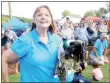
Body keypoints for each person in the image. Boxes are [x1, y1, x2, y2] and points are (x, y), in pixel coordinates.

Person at [2, 5, 63, 82]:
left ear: (51, 20)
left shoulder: (57, 40)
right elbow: (3, 58)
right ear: (34, 20)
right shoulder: (25, 41)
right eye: (39, 15)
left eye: (47, 15)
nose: (43, 17)